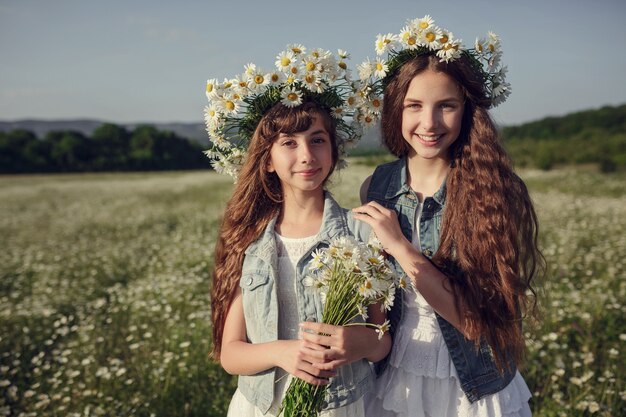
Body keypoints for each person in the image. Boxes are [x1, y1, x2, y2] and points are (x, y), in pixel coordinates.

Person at [352, 16, 543, 417]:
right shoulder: (378, 185)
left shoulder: (495, 191)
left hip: (472, 381)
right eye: (414, 106)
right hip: (395, 374)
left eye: (446, 106)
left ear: (467, 111)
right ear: (395, 111)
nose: (429, 123)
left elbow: (476, 321)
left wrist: (400, 248)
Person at [206, 46, 392, 417]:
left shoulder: (361, 233)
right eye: (289, 143)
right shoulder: (251, 240)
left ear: (333, 151)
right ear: (269, 160)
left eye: (317, 140)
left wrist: (360, 342)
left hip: (340, 406)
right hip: (261, 407)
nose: (306, 155)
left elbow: (382, 339)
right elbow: (230, 354)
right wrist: (281, 352)